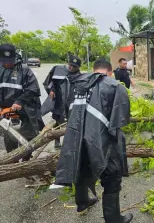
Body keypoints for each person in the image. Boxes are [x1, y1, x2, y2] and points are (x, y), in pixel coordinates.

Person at [55, 59, 133, 223]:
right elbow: (122, 119)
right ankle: (114, 219)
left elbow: (67, 111)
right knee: (112, 175)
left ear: (93, 69)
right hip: (99, 140)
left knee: (80, 164)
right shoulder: (115, 86)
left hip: (74, 138)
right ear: (110, 72)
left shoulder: (75, 84)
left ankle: (82, 202)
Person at [0, 44, 43, 161]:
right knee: (9, 138)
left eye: (10, 61)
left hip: (25, 109)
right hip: (6, 110)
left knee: (27, 137)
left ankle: (26, 160)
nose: (8, 63)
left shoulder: (24, 70)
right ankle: (12, 161)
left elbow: (33, 89)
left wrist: (20, 101)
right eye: (5, 61)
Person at [41, 55, 82, 148]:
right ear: (67, 63)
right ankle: (57, 141)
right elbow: (48, 82)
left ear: (78, 68)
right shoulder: (57, 69)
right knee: (57, 121)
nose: (71, 67)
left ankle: (69, 143)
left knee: (70, 123)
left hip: (70, 103)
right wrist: (51, 90)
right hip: (58, 101)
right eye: (70, 65)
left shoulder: (80, 77)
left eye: (74, 67)